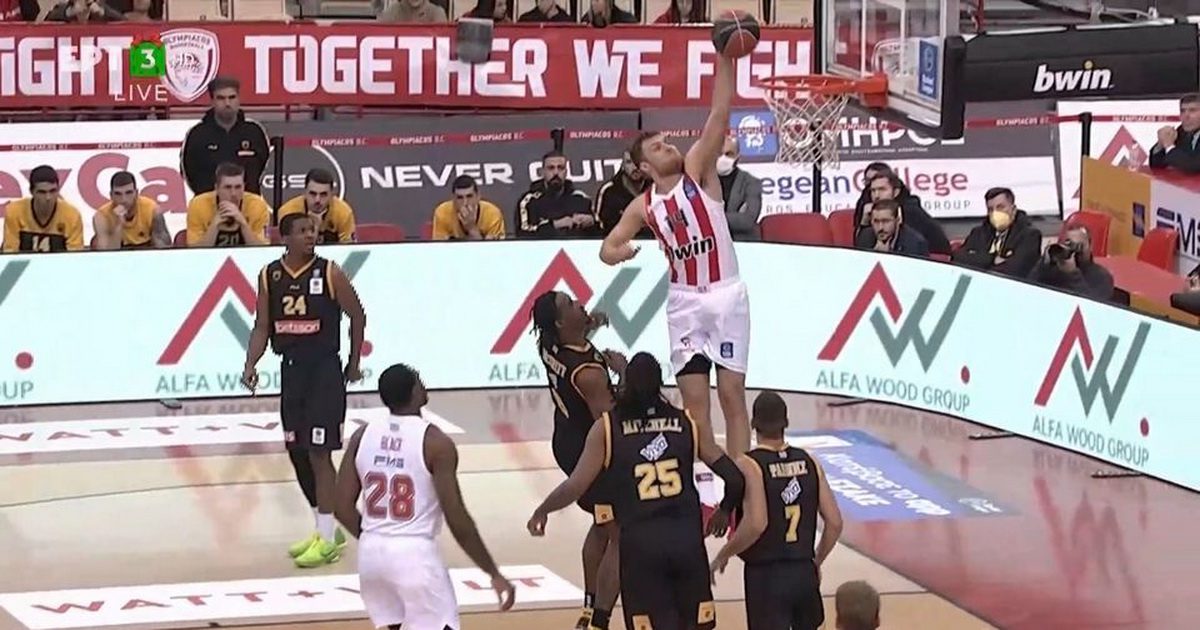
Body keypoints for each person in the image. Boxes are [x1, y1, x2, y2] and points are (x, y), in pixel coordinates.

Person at [599, 51, 754, 465]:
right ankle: (704, 479)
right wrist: (619, 254)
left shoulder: (697, 170)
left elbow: (719, 115)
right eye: (658, 146)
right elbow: (607, 247)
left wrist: (726, 59)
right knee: (695, 406)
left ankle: (743, 481)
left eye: (667, 141)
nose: (668, 146)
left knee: (732, 395)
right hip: (684, 302)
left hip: (725, 293)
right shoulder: (643, 206)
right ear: (644, 166)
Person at [527, 352, 746, 630]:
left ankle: (597, 618)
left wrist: (543, 509)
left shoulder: (607, 428)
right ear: (660, 384)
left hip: (641, 549)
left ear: (626, 385)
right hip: (686, 545)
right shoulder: (688, 424)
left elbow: (575, 485)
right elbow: (735, 479)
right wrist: (724, 510)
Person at [335, 363, 516, 630]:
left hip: (371, 554)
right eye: (419, 380)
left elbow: (341, 507)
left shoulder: (362, 436)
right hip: (414, 555)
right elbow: (458, 520)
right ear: (414, 392)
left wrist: (376, 538)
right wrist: (493, 572)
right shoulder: (436, 443)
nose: (423, 385)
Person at [241, 212, 367, 568]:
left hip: (323, 370)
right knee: (297, 451)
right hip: (291, 370)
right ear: (285, 237)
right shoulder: (270, 275)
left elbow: (357, 315)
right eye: (303, 231)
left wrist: (353, 362)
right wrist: (250, 364)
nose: (311, 235)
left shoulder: (329, 272)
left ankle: (327, 540)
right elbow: (262, 325)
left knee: (319, 453)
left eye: (313, 230)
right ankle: (325, 528)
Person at [530, 290, 627, 630]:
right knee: (619, 533)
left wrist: (591, 321)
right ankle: (599, 618)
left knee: (601, 522)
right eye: (570, 305)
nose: (579, 304)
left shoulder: (547, 344)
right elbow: (610, 421)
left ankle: (588, 608)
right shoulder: (588, 374)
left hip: (565, 437)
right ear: (560, 323)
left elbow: (577, 334)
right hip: (589, 450)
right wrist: (624, 374)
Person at [710, 391, 844, 630]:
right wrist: (816, 561)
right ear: (786, 423)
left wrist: (724, 554)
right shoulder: (810, 461)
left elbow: (756, 523)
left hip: (766, 576)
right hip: (803, 571)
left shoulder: (749, 464)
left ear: (753, 424)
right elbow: (834, 523)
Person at [2, 165, 83, 253]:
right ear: (31, 192)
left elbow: (75, 256)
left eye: (53, 191)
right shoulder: (14, 211)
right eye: (42, 192)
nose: (48, 197)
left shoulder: (72, 215)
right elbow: (10, 252)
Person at [93, 171, 171, 250]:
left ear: (136, 193)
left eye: (129, 193)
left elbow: (162, 250)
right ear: (111, 195)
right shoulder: (102, 216)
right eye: (118, 194)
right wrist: (118, 225)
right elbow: (106, 253)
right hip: (118, 255)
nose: (123, 199)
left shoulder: (152, 210)